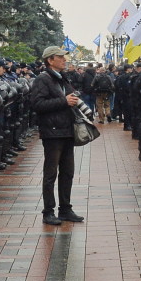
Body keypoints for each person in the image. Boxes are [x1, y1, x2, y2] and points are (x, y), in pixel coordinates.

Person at [29, 46, 84, 226]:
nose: (64, 60)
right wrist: (64, 101)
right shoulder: (43, 79)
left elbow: (70, 96)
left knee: (68, 172)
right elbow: (37, 104)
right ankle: (48, 211)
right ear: (50, 60)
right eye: (60, 57)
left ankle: (65, 208)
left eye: (63, 57)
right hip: (52, 132)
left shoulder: (62, 78)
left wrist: (75, 98)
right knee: (51, 173)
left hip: (67, 129)